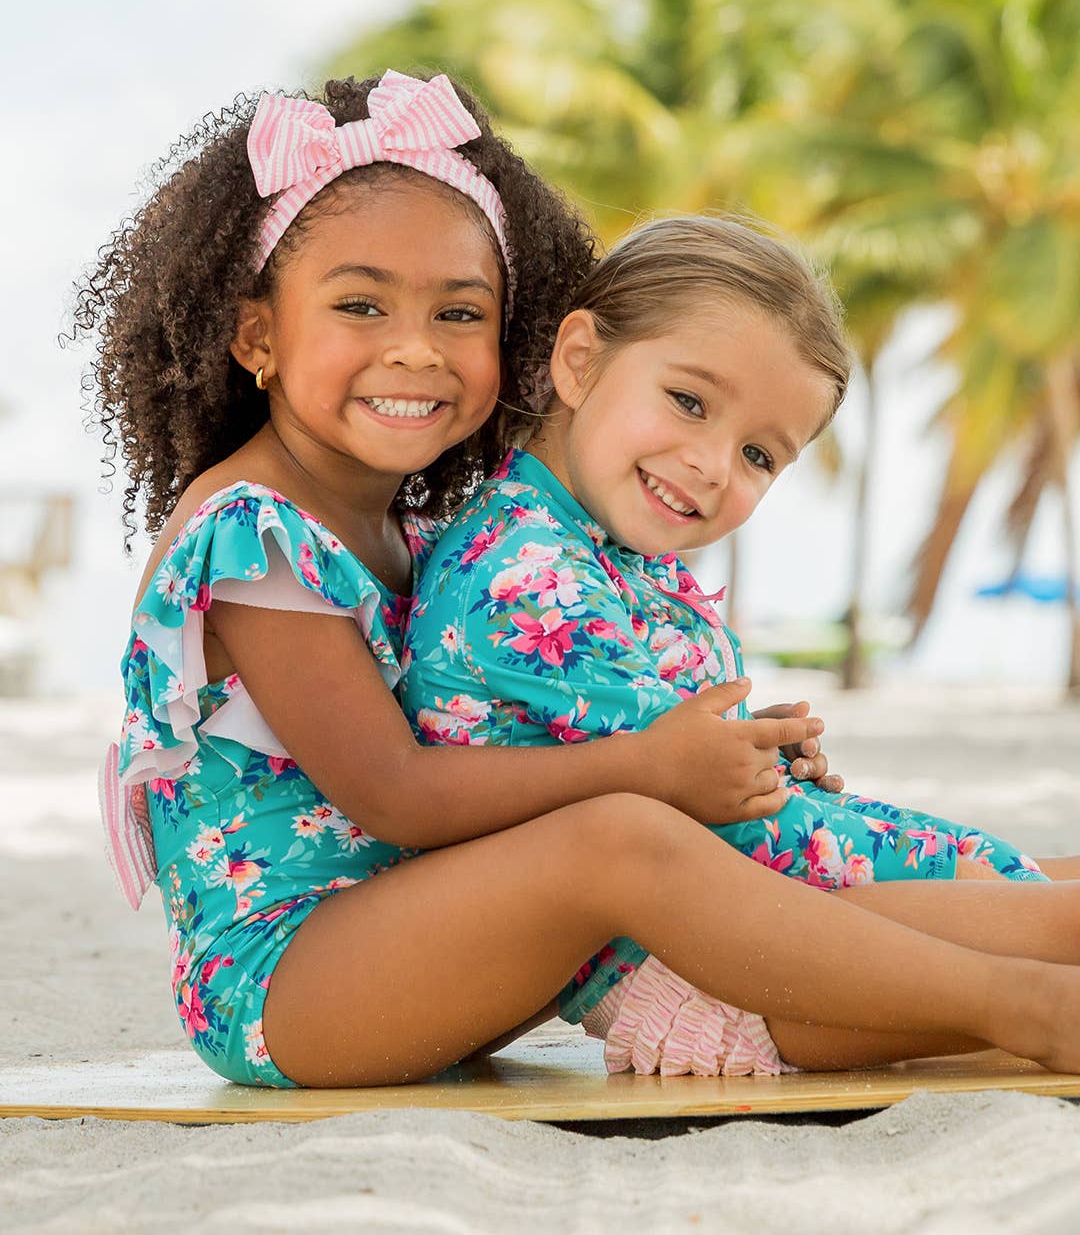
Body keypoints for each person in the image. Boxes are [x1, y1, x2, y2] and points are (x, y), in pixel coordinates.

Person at [78, 71, 1080, 1092]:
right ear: (256, 338)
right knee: (620, 838)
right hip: (291, 988)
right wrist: (650, 764)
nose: (416, 348)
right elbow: (396, 793)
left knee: (720, 880)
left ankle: (1013, 970)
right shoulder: (251, 536)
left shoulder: (412, 534)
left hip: (447, 946)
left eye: (460, 313)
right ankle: (1030, 1007)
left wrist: (721, 751)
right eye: (360, 305)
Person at [401, 213, 1080, 1076]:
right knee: (1055, 913)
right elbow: (743, 847)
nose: (715, 464)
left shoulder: (605, 554)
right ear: (579, 360)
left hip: (749, 936)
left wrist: (760, 757)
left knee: (1046, 886)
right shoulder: (527, 579)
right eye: (689, 402)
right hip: (719, 973)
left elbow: (689, 786)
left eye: (759, 453)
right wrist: (978, 872)